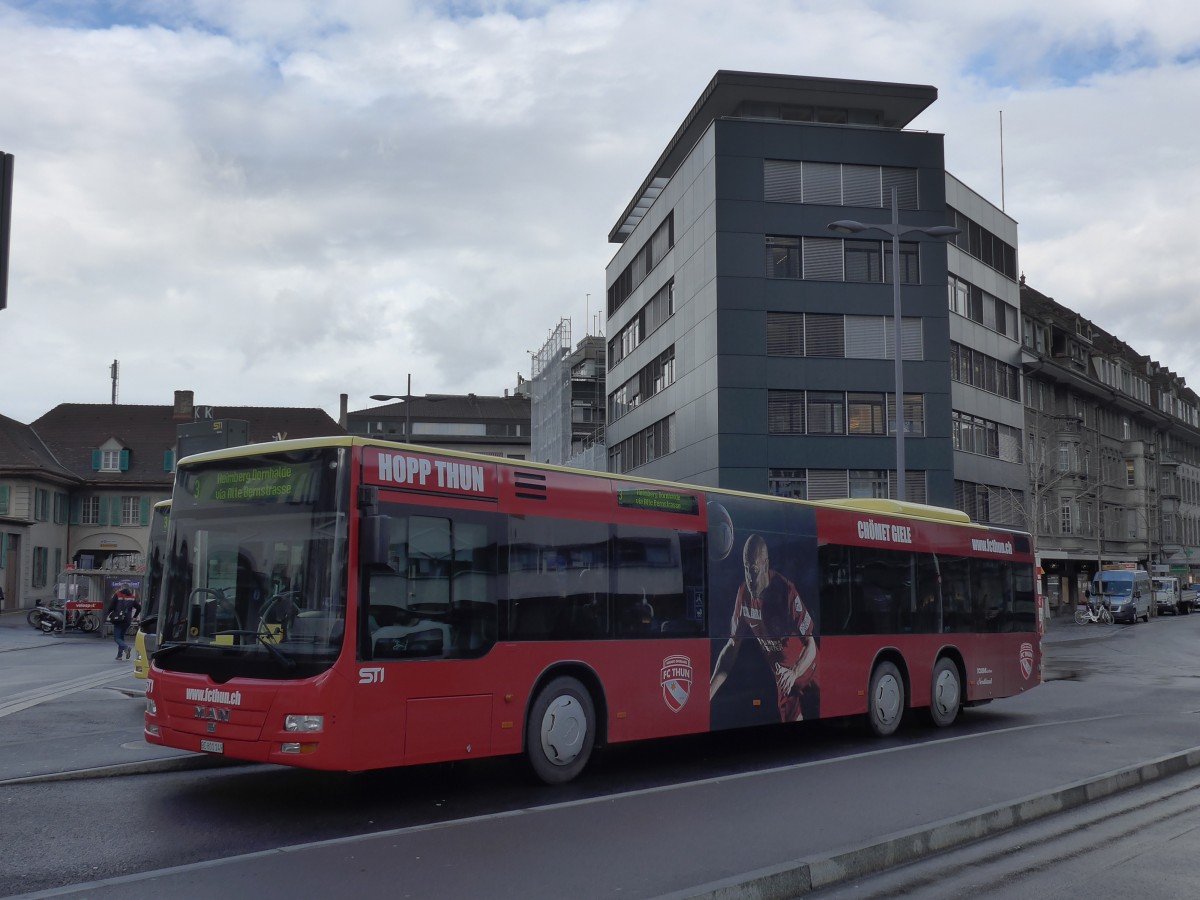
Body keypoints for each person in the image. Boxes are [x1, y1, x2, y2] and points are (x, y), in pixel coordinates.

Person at [710, 534, 819, 722]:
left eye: (753, 569)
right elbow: (732, 646)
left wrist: (794, 672)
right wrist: (708, 693)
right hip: (784, 682)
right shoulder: (743, 595)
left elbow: (811, 645)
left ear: (765, 564)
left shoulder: (785, 592)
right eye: (746, 569)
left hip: (809, 672)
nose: (749, 577)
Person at [107, 588, 141, 661]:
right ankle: (119, 655)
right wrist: (134, 616)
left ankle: (126, 648)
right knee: (121, 637)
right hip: (127, 620)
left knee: (117, 638)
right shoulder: (132, 598)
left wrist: (110, 614)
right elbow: (139, 607)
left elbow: (111, 607)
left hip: (118, 619)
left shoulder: (117, 595)